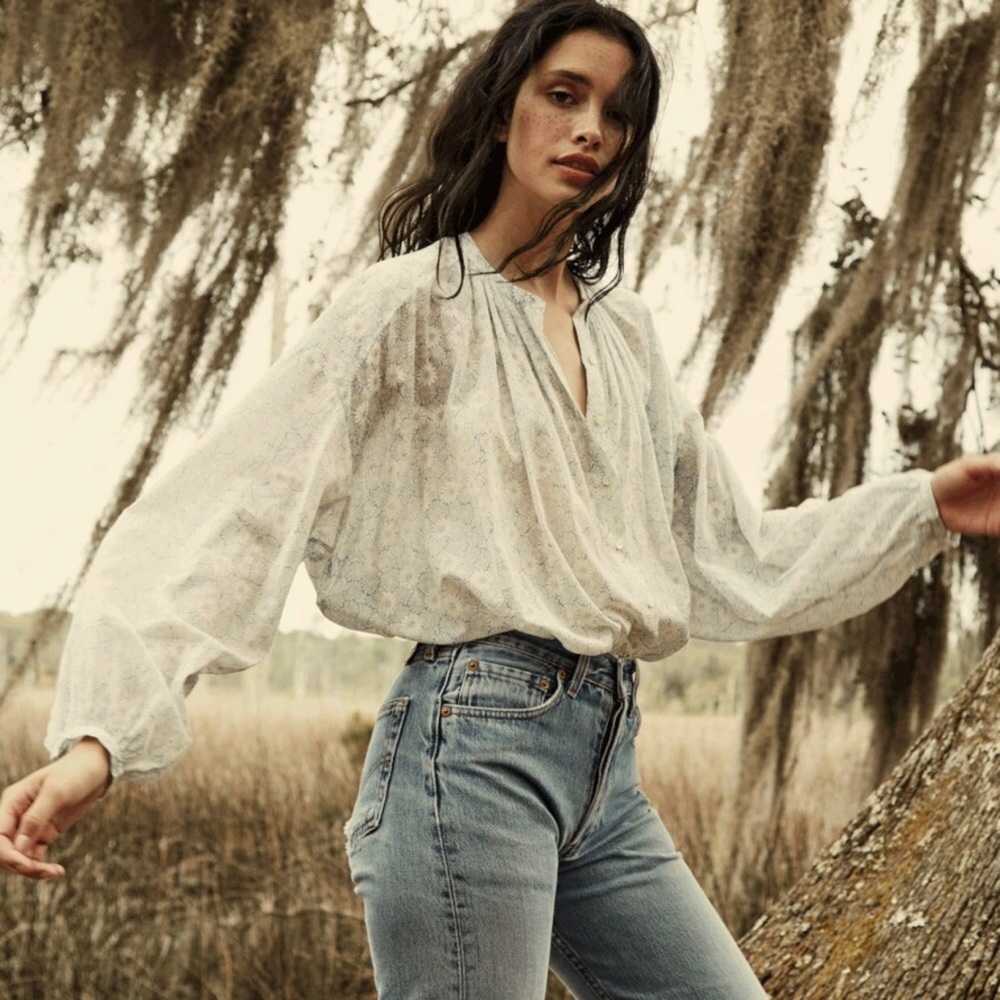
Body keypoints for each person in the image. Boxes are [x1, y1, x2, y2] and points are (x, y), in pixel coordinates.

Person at [2, 1, 1000, 996]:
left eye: (616, 115)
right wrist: (102, 741)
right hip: (465, 755)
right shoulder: (406, 305)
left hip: (606, 768)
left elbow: (727, 556)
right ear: (499, 109)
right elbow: (235, 506)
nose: (588, 132)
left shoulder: (628, 337)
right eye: (562, 96)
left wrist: (925, 506)